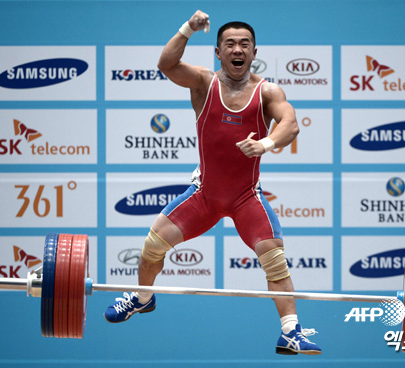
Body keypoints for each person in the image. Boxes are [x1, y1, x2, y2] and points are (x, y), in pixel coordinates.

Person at [104, 10, 321, 355]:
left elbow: (290, 125)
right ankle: (142, 299)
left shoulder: (267, 92)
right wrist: (188, 28)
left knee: (274, 258)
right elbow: (167, 64)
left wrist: (264, 144)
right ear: (218, 52)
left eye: (245, 44)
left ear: (254, 52)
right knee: (151, 248)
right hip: (204, 195)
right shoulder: (204, 82)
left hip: (246, 197)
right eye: (230, 44)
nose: (238, 49)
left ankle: (290, 332)